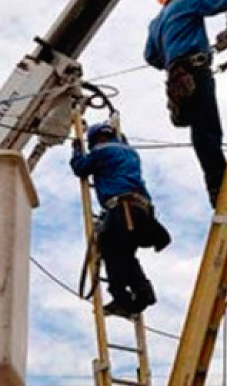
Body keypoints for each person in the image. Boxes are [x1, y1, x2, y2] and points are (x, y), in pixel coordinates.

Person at [144, 0, 227, 207]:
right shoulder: (190, 2)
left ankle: (217, 186)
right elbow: (223, 1)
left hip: (176, 78)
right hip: (195, 71)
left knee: (200, 129)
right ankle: (220, 188)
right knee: (208, 129)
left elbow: (150, 56)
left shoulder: (156, 22)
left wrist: (171, 57)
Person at [70, 122, 170, 318]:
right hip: (140, 210)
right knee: (125, 255)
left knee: (112, 252)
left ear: (96, 139)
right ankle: (142, 292)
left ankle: (122, 299)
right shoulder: (130, 152)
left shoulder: (102, 151)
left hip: (122, 208)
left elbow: (81, 168)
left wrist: (76, 151)